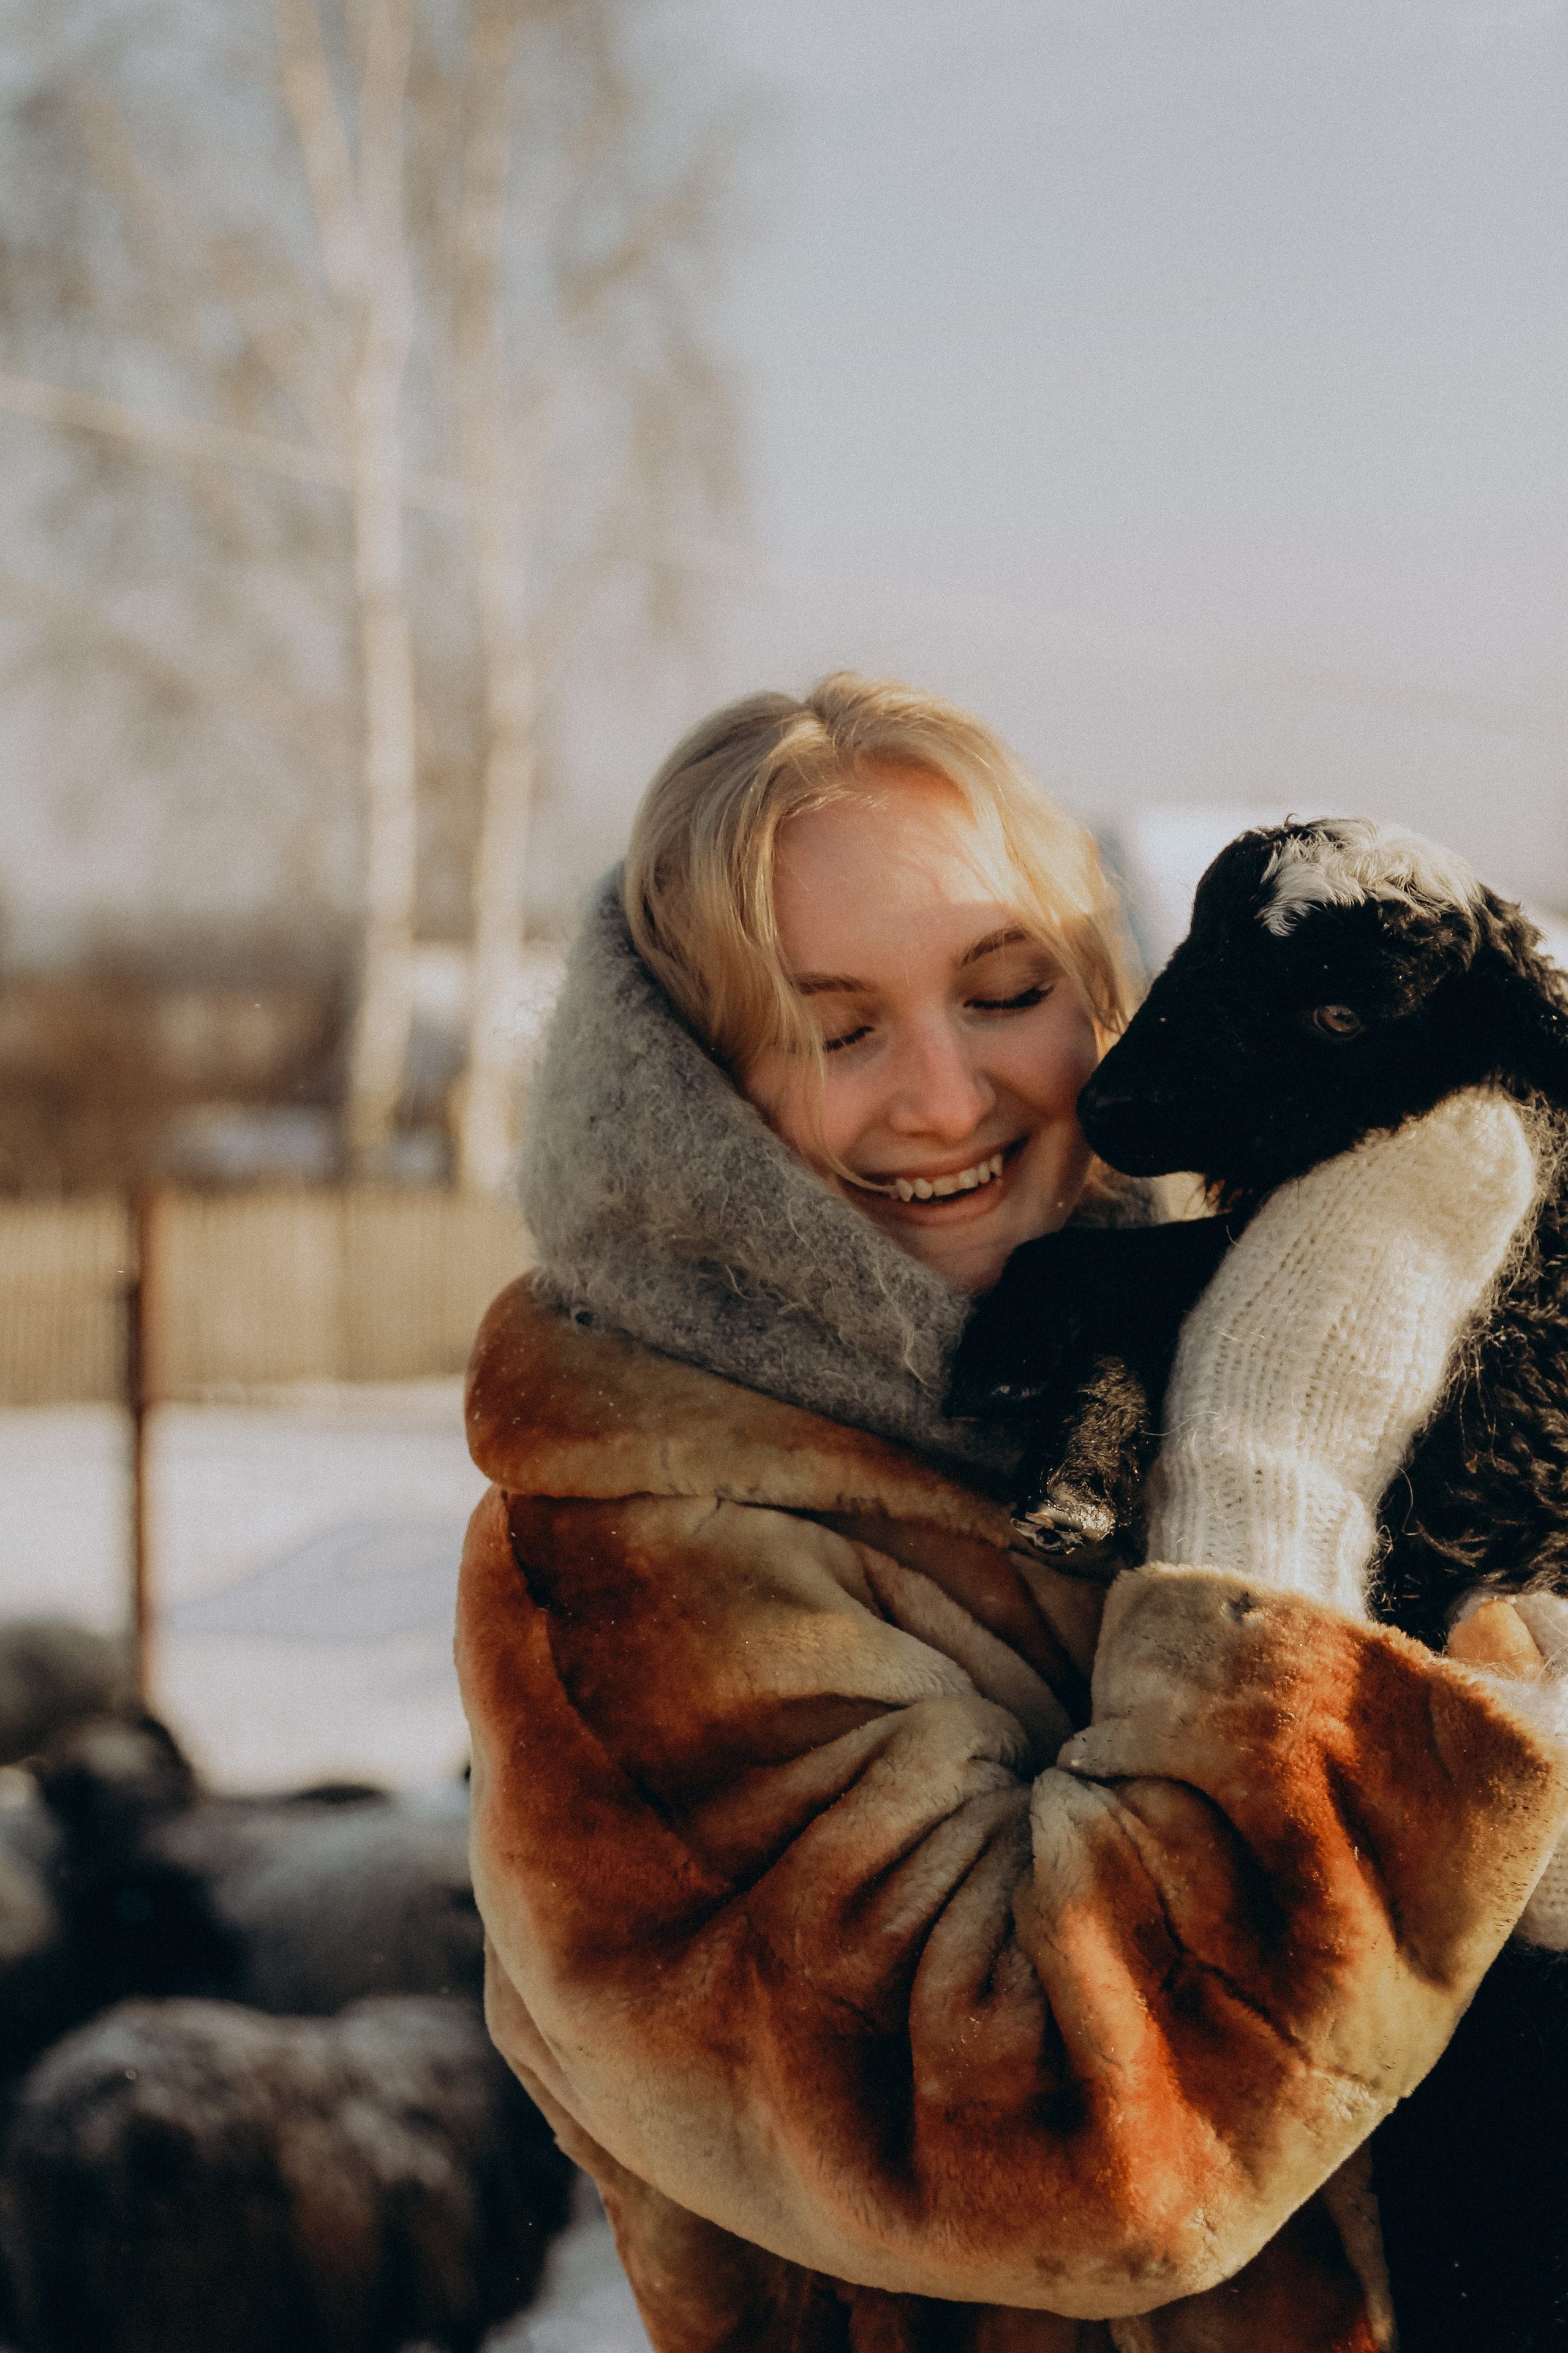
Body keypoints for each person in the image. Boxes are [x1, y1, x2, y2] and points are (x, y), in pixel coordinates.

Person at [456, 674, 1568, 2353]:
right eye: (838, 1029)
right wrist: (1275, 1484)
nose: (949, 1094)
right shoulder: (632, 1564)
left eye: (1003, 989)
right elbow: (1096, 2154)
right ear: (690, 1097)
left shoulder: (1175, 1342)